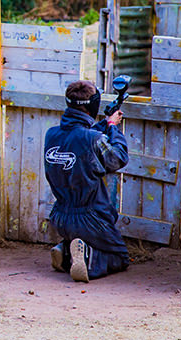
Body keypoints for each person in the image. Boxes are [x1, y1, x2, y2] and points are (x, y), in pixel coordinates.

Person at [43, 80, 130, 282]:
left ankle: (65, 249)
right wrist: (112, 127)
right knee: (120, 256)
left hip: (59, 217)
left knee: (91, 240)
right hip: (91, 219)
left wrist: (106, 123)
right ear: (93, 106)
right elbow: (117, 158)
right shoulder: (92, 138)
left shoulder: (51, 134)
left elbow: (80, 137)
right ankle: (83, 257)